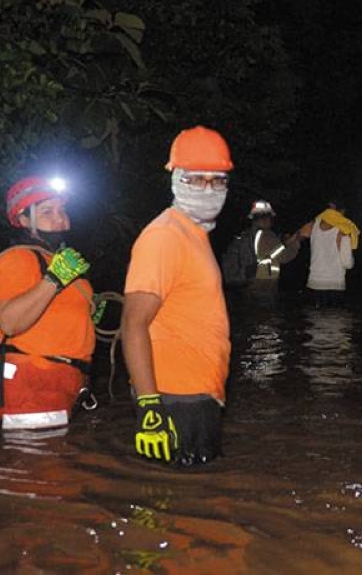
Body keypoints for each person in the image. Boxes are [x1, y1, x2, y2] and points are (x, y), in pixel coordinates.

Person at [121, 126, 233, 466]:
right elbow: (132, 324)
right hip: (173, 399)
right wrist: (150, 407)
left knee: (191, 508)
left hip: (197, 396)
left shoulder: (195, 235)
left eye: (218, 180)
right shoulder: (165, 236)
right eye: (197, 180)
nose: (209, 189)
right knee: (173, 507)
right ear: (176, 180)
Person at [0, 175, 96, 431]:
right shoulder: (17, 259)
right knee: (40, 469)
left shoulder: (59, 262)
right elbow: (10, 322)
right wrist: (54, 280)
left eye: (62, 210)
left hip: (67, 380)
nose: (60, 218)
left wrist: (92, 318)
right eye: (47, 211)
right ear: (24, 220)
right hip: (31, 381)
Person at [222, 200, 300, 303]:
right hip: (264, 283)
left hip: (248, 282)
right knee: (267, 316)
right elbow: (283, 257)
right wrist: (295, 243)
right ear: (266, 218)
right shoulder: (267, 235)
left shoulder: (246, 235)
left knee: (253, 315)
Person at [299, 200, 359, 307]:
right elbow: (347, 264)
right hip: (335, 284)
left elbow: (301, 234)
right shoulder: (345, 229)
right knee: (335, 321)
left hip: (314, 283)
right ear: (342, 211)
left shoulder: (312, 225)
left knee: (315, 320)